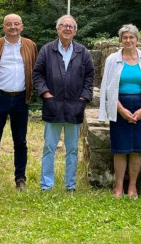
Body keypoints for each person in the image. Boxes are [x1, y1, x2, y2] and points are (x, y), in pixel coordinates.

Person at [98, 24, 141, 199]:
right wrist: (120, 110)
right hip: (120, 104)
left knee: (137, 149)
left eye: (131, 37)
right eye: (125, 37)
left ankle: (132, 187)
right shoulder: (112, 59)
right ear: (120, 40)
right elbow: (108, 88)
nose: (128, 40)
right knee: (120, 148)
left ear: (137, 40)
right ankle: (119, 187)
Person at [33, 15, 94, 191]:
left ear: (75, 31)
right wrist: (46, 94)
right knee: (49, 147)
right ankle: (46, 185)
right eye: (63, 25)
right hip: (52, 104)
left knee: (73, 149)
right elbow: (37, 74)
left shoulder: (83, 52)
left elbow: (90, 76)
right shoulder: (47, 50)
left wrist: (84, 97)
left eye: (71, 26)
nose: (67, 29)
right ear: (57, 29)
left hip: (75, 106)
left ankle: (70, 185)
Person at [0, 13, 37, 190]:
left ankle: (20, 178)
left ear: (22, 26)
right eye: (9, 24)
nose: (13, 27)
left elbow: (35, 69)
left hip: (21, 98)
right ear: (3, 27)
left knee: (20, 141)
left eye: (16, 24)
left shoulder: (30, 46)